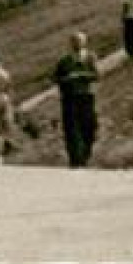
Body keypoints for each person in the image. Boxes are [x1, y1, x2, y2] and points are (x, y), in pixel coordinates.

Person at [54, 33, 99, 168]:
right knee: (71, 128)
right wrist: (66, 79)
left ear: (84, 42)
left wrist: (80, 75)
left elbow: (96, 75)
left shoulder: (90, 57)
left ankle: (85, 153)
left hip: (86, 96)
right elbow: (56, 78)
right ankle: (75, 159)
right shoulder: (64, 60)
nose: (77, 44)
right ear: (71, 43)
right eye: (74, 41)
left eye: (79, 41)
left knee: (88, 127)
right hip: (69, 97)